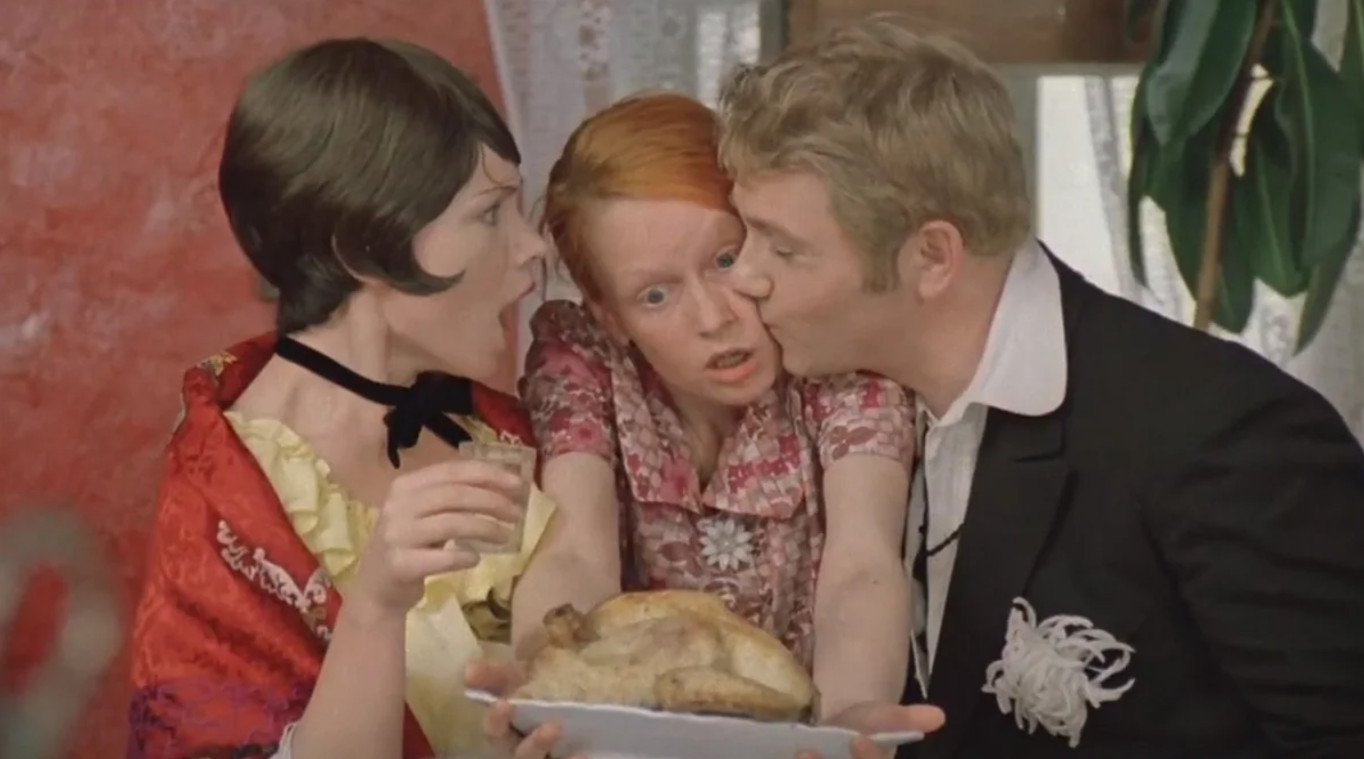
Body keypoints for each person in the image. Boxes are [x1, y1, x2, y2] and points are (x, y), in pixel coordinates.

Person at [712, 14, 1364, 759]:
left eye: (784, 249)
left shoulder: (1226, 437)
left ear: (932, 256)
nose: (744, 277)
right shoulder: (835, 408)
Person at [468, 91, 934, 758]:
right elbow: (574, 550)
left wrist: (842, 724)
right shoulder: (584, 361)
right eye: (656, 295)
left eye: (725, 259)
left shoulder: (837, 350)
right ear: (609, 315)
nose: (715, 318)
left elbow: (862, 562)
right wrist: (555, 691)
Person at [127, 38, 555, 759]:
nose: (531, 247)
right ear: (361, 247)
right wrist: (376, 608)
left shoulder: (497, 430)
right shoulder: (230, 498)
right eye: (489, 214)